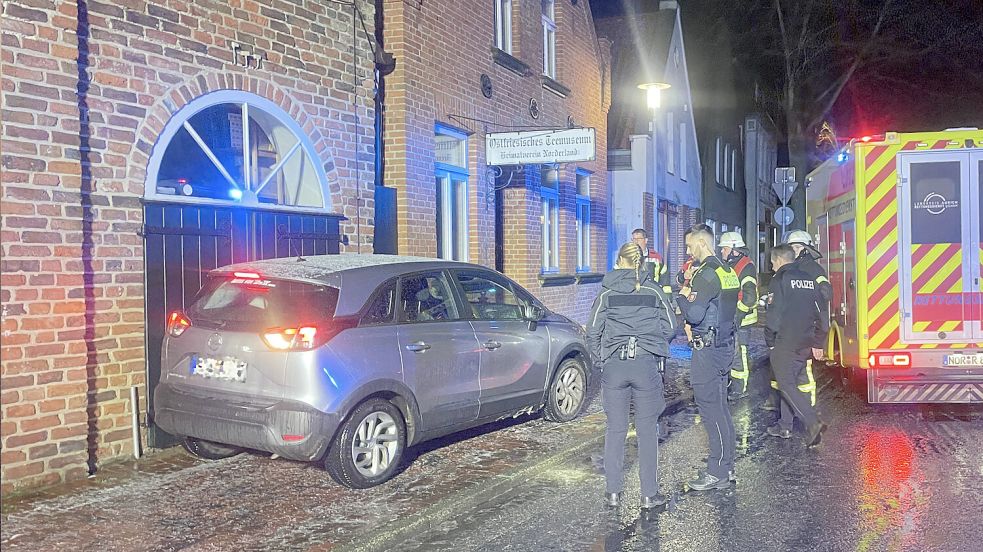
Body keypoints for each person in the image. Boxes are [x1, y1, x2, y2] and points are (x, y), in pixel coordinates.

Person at [587, 242, 677, 509]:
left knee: (615, 429)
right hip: (645, 365)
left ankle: (613, 492)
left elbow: (593, 331)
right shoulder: (653, 290)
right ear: (641, 263)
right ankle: (649, 494)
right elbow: (671, 326)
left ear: (619, 261)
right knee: (647, 430)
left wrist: (601, 358)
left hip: (615, 366)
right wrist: (652, 343)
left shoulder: (607, 292)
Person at [676, 225, 739, 490]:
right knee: (722, 409)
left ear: (702, 243)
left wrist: (681, 298)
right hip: (725, 346)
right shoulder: (728, 271)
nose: (689, 252)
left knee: (711, 410)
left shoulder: (707, 274)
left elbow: (694, 315)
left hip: (708, 350)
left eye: (690, 247)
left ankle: (716, 471)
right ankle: (727, 466)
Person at [764, 245, 828, 446]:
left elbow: (774, 317)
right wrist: (818, 340)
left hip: (785, 342)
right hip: (805, 342)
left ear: (780, 261)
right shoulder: (809, 279)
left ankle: (812, 422)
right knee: (789, 382)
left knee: (785, 384)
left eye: (773, 263)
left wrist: (770, 341)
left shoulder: (780, 279)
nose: (773, 267)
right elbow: (822, 315)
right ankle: (785, 425)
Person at [718, 232, 758, 399]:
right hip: (733, 317)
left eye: (724, 249)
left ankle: (739, 388)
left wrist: (737, 315)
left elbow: (750, 297)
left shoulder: (745, 266)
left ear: (734, 249)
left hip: (742, 318)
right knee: (734, 352)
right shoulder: (734, 265)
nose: (722, 252)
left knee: (739, 354)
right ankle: (733, 383)